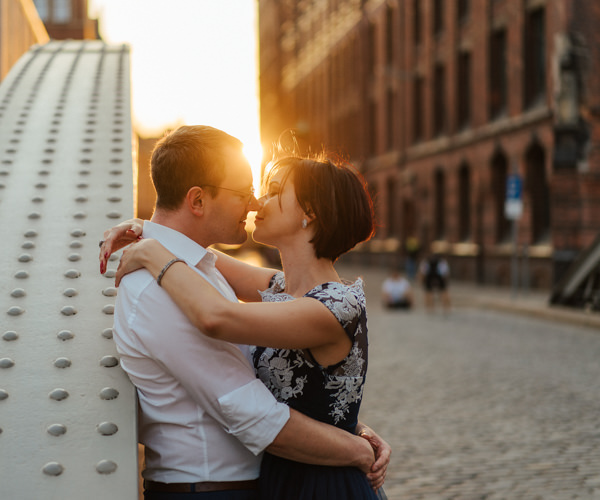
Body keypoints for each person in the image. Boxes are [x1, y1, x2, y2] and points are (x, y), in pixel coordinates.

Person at [99, 125, 389, 500]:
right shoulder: (275, 288)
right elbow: (201, 260)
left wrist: (155, 248)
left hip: (316, 483)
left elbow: (219, 316)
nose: (255, 203)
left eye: (270, 193)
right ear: (198, 200)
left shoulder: (332, 305)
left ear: (310, 213)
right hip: (234, 485)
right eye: (248, 192)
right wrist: (148, 233)